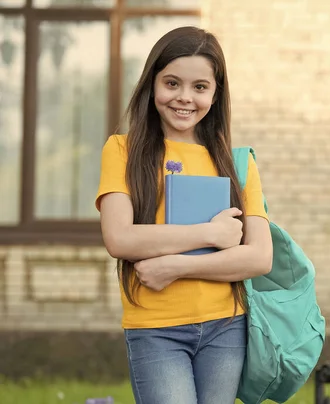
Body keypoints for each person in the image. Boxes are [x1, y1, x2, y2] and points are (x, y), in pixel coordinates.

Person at [95, 26, 273, 404]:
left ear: (215, 93)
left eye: (199, 87)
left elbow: (259, 257)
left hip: (227, 328)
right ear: (152, 84)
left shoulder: (239, 164)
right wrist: (209, 235)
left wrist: (173, 266)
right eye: (172, 83)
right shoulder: (122, 151)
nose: (184, 98)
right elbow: (120, 239)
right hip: (156, 329)